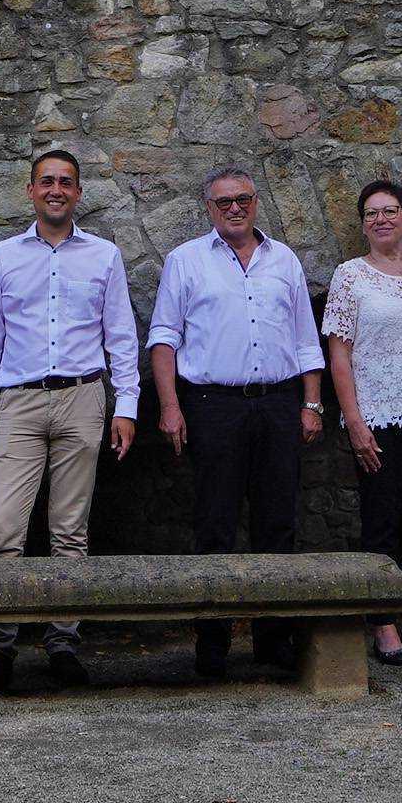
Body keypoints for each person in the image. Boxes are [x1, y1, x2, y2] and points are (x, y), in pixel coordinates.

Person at [0, 149, 141, 692]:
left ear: (79, 193)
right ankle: (0, 643)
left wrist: (126, 406)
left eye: (66, 182)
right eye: (47, 182)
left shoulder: (104, 256)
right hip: (18, 402)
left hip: (83, 398)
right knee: (4, 528)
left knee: (70, 530)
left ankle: (63, 641)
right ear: (31, 191)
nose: (56, 190)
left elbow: (121, 335)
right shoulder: (4, 256)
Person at [148, 166, 325, 676]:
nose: (234, 208)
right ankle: (212, 644)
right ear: (209, 207)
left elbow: (305, 338)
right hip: (213, 405)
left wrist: (312, 403)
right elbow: (164, 337)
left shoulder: (283, 259)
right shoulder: (186, 261)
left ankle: (274, 641)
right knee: (215, 523)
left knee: (278, 522)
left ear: (255, 202)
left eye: (243, 198)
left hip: (278, 402)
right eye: (224, 201)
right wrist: (170, 406)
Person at [321, 180, 402, 665]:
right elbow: (339, 353)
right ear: (363, 224)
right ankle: (382, 623)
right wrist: (353, 421)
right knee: (381, 519)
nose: (381, 219)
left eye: (390, 210)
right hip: (376, 417)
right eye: (371, 213)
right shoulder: (350, 276)